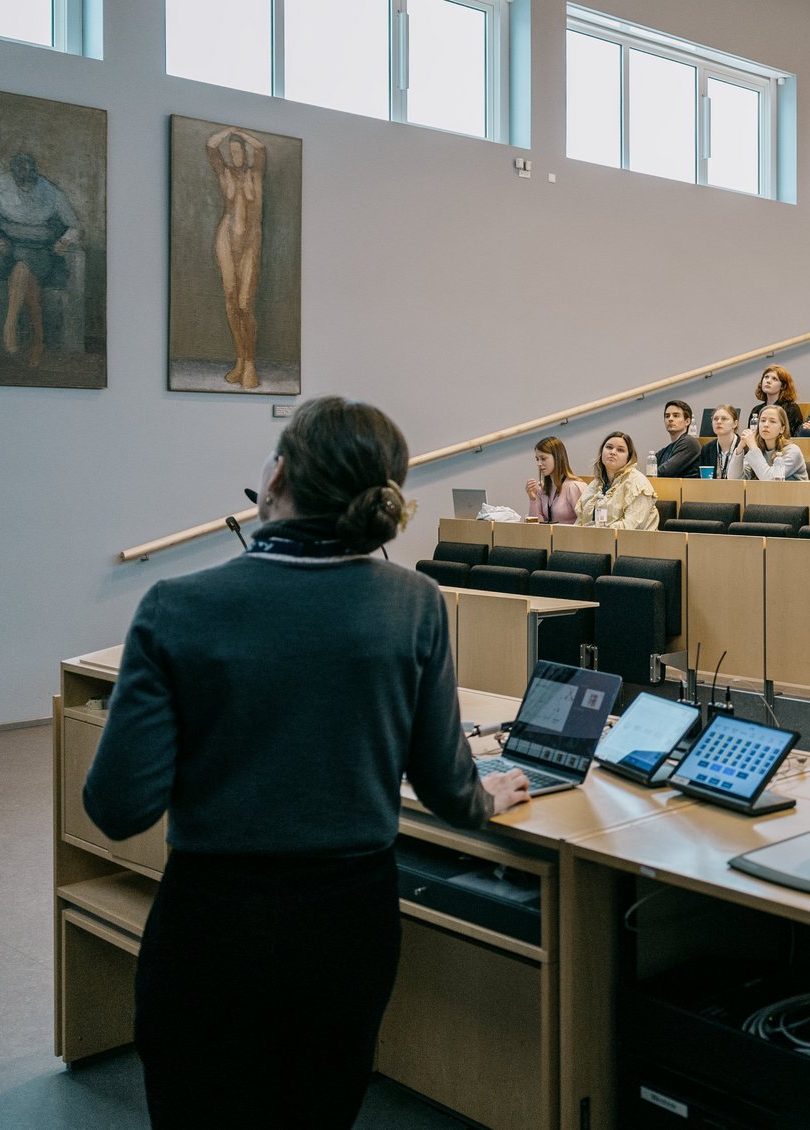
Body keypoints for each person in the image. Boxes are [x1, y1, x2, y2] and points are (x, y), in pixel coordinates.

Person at [82, 396, 530, 1128]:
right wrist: (493, 796)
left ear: (279, 474)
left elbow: (118, 805)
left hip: (211, 924)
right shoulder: (414, 604)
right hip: (347, 927)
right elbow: (451, 791)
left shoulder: (176, 606)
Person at [0, 152, 81, 367]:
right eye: (20, 170)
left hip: (41, 250)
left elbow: (74, 225)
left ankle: (11, 323)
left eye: (29, 170)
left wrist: (63, 242)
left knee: (23, 267)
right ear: (13, 169)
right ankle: (38, 339)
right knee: (23, 270)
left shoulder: (49, 191)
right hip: (5, 248)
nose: (25, 175)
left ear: (35, 171)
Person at [206, 127, 268, 388]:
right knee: (231, 302)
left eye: (239, 150)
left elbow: (261, 149)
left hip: (250, 242)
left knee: (245, 303)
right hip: (225, 239)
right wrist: (228, 131)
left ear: (244, 152)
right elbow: (210, 146)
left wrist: (240, 134)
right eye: (231, 152)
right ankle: (240, 360)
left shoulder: (256, 174)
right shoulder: (225, 173)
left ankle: (251, 362)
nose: (236, 155)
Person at [578, 431, 660, 529]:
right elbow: (580, 520)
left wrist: (596, 532)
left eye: (620, 450)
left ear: (628, 458)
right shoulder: (595, 483)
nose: (612, 452)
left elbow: (631, 527)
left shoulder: (639, 483)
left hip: (632, 542)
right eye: (609, 447)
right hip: (593, 541)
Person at [524, 435, 585, 523]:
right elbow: (536, 526)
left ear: (557, 457)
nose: (539, 464)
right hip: (548, 536)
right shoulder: (542, 487)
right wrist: (533, 499)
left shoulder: (574, 487)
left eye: (543, 458)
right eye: (537, 459)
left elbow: (586, 522)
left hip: (570, 536)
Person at [742, 404, 809, 481]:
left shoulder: (792, 451)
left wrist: (753, 447)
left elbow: (770, 480)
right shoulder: (757, 449)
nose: (766, 425)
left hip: (794, 492)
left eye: (772, 421)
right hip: (763, 493)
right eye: (763, 420)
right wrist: (739, 449)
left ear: (782, 429)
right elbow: (735, 479)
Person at [751, 365, 807, 436]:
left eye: (774, 379)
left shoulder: (791, 408)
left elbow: (792, 436)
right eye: (766, 377)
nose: (768, 381)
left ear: (783, 386)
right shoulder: (756, 410)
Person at [655, 400, 702, 478]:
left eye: (676, 416)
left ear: (687, 421)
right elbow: (651, 470)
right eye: (667, 416)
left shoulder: (689, 443)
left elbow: (666, 471)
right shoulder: (664, 451)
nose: (670, 419)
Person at [699, 405, 746, 479]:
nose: (719, 422)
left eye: (724, 419)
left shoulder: (745, 447)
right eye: (715, 419)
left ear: (735, 424)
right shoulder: (707, 449)